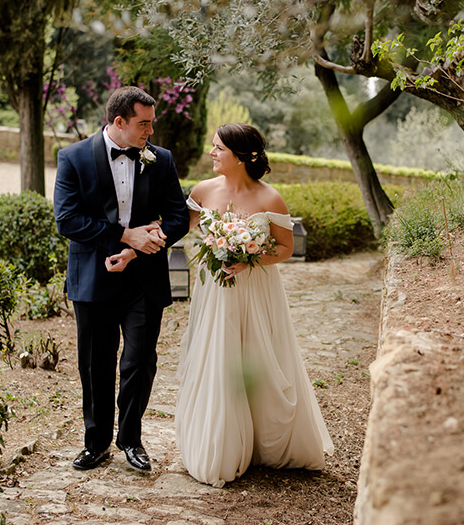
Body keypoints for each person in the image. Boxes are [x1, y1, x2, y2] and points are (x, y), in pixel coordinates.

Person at [176, 122, 334, 487]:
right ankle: (222, 443)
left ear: (241, 157)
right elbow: (179, 227)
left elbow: (285, 248)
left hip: (257, 290)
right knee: (218, 356)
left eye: (218, 148)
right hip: (216, 292)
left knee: (259, 357)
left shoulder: (270, 199)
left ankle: (265, 442)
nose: (211, 153)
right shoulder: (202, 191)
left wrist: (246, 259)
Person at [54, 86, 189, 472]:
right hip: (92, 278)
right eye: (143, 124)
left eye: (151, 122)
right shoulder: (74, 157)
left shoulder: (160, 159)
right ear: (119, 122)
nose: (150, 131)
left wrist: (139, 247)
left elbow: (178, 216)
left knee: (139, 362)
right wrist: (123, 235)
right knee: (95, 364)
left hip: (143, 279)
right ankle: (95, 443)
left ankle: (131, 439)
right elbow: (67, 219)